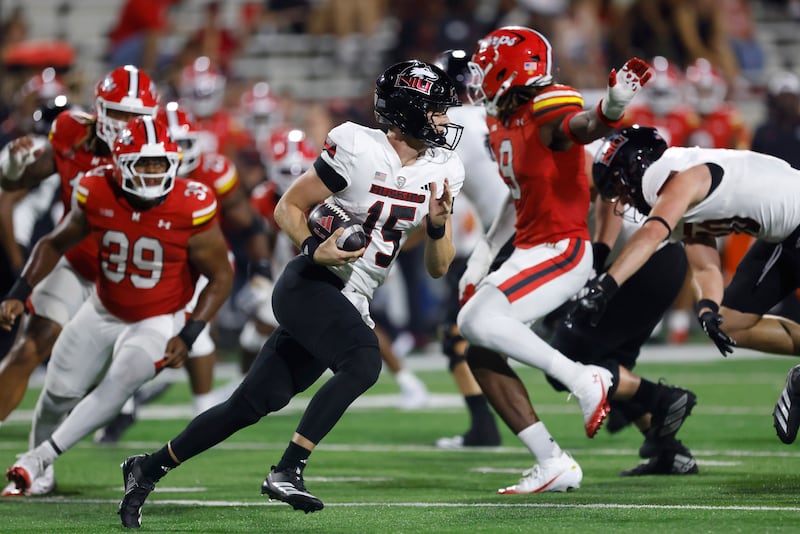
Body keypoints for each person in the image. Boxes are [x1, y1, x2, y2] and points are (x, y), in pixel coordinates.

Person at [117, 59, 465, 528]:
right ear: (407, 111)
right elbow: (289, 206)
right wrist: (313, 248)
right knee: (363, 361)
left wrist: (439, 225)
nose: (446, 121)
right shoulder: (357, 146)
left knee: (251, 404)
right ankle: (287, 469)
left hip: (353, 297)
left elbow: (439, 267)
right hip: (310, 283)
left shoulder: (444, 168)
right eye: (437, 110)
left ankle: (147, 467)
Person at [455, 25, 651, 494]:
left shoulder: (546, 103)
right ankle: (551, 461)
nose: (477, 80)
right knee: (481, 352)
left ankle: (585, 381)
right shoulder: (503, 119)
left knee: (473, 320)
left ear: (508, 69)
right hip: (531, 247)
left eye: (485, 69)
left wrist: (612, 107)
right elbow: (517, 198)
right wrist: (481, 257)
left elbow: (580, 127)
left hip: (562, 248)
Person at [1, 115, 233, 497]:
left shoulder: (191, 203)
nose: (154, 171)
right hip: (103, 308)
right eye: (144, 162)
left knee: (121, 380)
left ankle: (36, 460)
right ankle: (42, 474)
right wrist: (19, 290)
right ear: (120, 164)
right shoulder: (97, 188)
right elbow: (54, 243)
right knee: (58, 393)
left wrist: (190, 332)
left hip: (158, 317)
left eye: (161, 162)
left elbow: (220, 275)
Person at [568, 125, 800, 446]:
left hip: (793, 224)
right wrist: (708, 307)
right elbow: (705, 265)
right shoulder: (681, 186)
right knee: (731, 323)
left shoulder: (681, 177)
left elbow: (651, 234)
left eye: (620, 187)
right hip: (784, 236)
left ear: (637, 167)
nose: (623, 200)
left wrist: (606, 285)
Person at [0, 66, 160, 455]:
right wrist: (15, 167)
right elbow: (17, 183)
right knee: (29, 347)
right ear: (99, 109)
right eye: (119, 113)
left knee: (98, 375)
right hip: (76, 261)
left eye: (137, 117)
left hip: (130, 272)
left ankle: (117, 409)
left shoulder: (155, 153)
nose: (127, 124)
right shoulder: (71, 130)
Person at [95, 101, 273, 443]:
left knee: (197, 334)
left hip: (203, 263)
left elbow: (249, 223)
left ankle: (200, 410)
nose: (182, 152)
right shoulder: (125, 171)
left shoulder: (214, 172)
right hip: (146, 262)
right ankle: (132, 403)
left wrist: (261, 268)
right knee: (122, 330)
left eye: (188, 143)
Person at [432, 48, 508, 448]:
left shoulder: (453, 126)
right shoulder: (496, 116)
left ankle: (487, 427)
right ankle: (486, 427)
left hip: (495, 243)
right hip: (523, 233)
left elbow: (438, 192)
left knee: (459, 336)